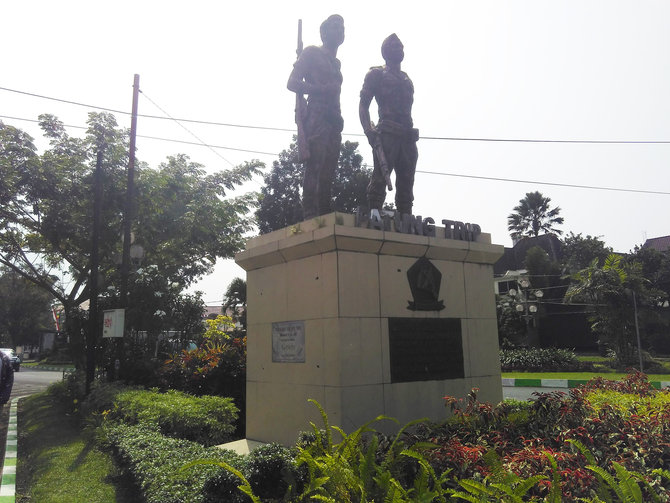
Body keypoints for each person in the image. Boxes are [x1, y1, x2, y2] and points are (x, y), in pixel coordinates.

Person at [287, 14, 345, 220]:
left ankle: (324, 214)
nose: (340, 30)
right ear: (324, 32)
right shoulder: (312, 53)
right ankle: (310, 215)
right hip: (317, 115)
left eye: (342, 27)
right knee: (315, 166)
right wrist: (319, 89)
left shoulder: (336, 63)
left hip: (333, 119)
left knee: (329, 171)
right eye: (335, 27)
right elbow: (292, 83)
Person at [359, 33, 419, 215]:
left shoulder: (407, 79)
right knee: (380, 178)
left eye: (401, 46)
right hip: (387, 134)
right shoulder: (376, 74)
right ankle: (374, 216)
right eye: (395, 47)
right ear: (385, 51)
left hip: (408, 136)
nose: (399, 49)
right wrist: (368, 131)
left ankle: (406, 220)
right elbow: (363, 104)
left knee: (407, 181)